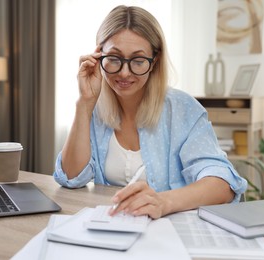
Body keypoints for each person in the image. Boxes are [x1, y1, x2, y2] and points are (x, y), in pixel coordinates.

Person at [53, 5, 247, 219]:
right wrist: (84, 104)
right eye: (114, 59)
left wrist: (164, 202)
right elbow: (71, 177)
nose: (124, 73)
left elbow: (222, 184)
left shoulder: (182, 109)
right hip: (112, 228)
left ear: (154, 61)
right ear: (99, 58)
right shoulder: (94, 109)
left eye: (137, 61)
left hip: (169, 229)